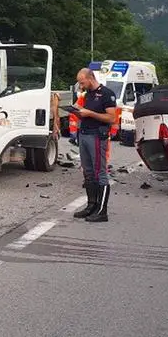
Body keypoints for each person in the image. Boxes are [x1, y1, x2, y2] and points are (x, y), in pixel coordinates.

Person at [72, 68, 118, 222]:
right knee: (88, 172)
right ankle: (91, 205)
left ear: (90, 78)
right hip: (84, 134)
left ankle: (102, 211)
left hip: (97, 136)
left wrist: (90, 114)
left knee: (100, 173)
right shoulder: (87, 95)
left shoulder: (106, 94)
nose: (80, 85)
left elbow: (111, 118)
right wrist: (78, 112)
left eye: (82, 82)